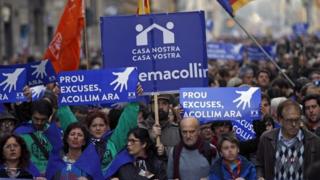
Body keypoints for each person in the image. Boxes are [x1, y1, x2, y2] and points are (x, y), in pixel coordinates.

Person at [256, 99, 320, 180]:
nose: (294, 124)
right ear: (280, 120)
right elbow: (259, 164)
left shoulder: (314, 141)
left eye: (297, 120)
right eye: (289, 120)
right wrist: (260, 176)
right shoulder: (267, 138)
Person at [14, 99, 77, 174]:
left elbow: (59, 155)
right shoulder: (19, 133)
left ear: (49, 117)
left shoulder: (55, 131)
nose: (39, 122)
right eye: (36, 119)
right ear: (31, 116)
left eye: (43, 119)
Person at [86, 103, 140, 172]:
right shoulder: (83, 143)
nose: (98, 128)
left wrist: (132, 97)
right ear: (89, 128)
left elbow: (127, 120)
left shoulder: (114, 142)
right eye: (94, 125)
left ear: (107, 127)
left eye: (101, 125)